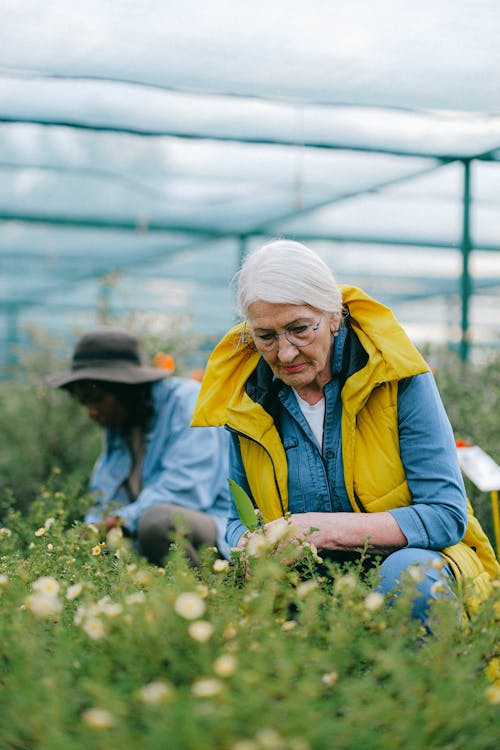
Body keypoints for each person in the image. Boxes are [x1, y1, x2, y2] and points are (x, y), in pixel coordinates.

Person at [192, 239, 499, 621]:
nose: (285, 353)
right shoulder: (246, 400)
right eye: (266, 337)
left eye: (299, 329)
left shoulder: (398, 378)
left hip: (410, 567)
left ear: (334, 316)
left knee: (410, 577)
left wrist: (322, 529)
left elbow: (445, 514)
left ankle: (428, 678)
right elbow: (237, 517)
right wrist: (247, 543)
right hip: (305, 582)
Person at [47, 327, 231, 564]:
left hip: (217, 526)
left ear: (125, 388)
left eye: (97, 399)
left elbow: (186, 489)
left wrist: (118, 523)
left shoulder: (187, 401)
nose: (91, 412)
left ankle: (205, 596)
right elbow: (103, 497)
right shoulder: (120, 426)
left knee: (157, 522)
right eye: (84, 402)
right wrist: (89, 532)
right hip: (154, 531)